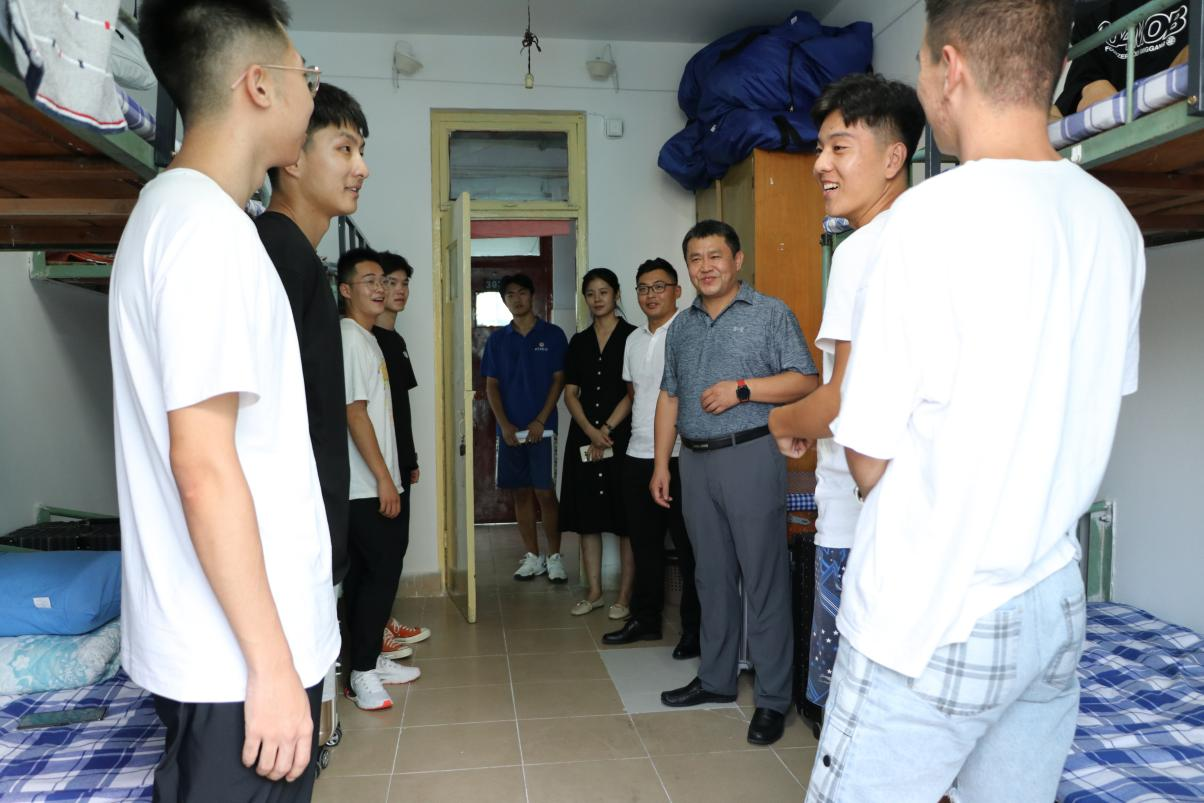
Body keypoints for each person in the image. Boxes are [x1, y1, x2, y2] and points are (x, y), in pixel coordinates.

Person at [804, 1, 1145, 801]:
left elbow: (866, 453)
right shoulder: (1113, 221)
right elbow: (1088, 403)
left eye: (923, 64)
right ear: (1054, 69)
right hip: (1052, 597)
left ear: (950, 68)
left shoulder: (927, 217)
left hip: (934, 606)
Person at [109, 0, 337, 799]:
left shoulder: (181, 216)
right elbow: (203, 466)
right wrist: (271, 664)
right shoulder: (206, 233)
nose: (311, 92)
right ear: (259, 85)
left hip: (227, 650)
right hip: (236, 662)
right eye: (305, 73)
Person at [767, 73, 925, 711]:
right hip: (917, 517)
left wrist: (782, 422)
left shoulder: (862, 251)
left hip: (862, 521)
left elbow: (844, 403)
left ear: (893, 157)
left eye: (839, 148)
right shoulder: (929, 233)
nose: (819, 165)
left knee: (851, 711)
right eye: (819, 148)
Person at [654, 220, 819, 747]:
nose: (705, 267)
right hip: (694, 461)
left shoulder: (770, 313)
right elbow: (669, 397)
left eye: (715, 256)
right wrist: (662, 464)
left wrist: (742, 389)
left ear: (737, 260)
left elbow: (806, 379)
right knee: (711, 577)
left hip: (750, 453)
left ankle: (772, 698)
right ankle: (716, 679)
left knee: (764, 579)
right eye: (695, 258)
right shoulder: (681, 327)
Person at [256, 82, 368, 594]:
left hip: (308, 537)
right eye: (344, 148)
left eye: (360, 151)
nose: (361, 168)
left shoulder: (300, 256)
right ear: (294, 158)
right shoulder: (277, 253)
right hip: (287, 545)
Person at [603, 258, 701, 658]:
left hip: (680, 457)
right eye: (643, 288)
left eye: (659, 286)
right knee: (644, 546)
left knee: (690, 548)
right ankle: (645, 619)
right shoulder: (633, 339)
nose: (650, 295)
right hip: (637, 454)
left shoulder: (691, 331)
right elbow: (634, 394)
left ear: (677, 291)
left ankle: (695, 630)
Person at [337, 248, 421, 711]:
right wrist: (385, 480)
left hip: (377, 481)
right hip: (365, 486)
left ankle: (367, 660)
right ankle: (362, 673)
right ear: (345, 290)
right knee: (377, 576)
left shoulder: (369, 339)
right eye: (367, 281)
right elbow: (354, 413)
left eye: (381, 281)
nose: (378, 288)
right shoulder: (350, 338)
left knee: (374, 577)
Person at [481, 274, 570, 583]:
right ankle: (533, 556)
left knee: (545, 492)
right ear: (505, 301)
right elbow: (491, 385)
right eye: (510, 295)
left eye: (522, 293)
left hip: (543, 429)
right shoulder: (497, 340)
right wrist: (504, 425)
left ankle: (555, 557)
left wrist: (540, 420)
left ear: (532, 295)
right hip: (509, 432)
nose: (516, 299)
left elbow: (559, 380)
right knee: (520, 493)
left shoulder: (553, 335)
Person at [560, 268, 637, 619]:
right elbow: (570, 393)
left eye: (604, 292)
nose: (597, 299)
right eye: (590, 293)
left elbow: (634, 393)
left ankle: (624, 596)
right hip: (585, 438)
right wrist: (591, 432)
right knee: (587, 516)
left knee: (625, 518)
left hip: (623, 436)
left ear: (616, 294)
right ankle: (594, 592)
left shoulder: (633, 338)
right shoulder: (578, 342)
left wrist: (605, 428)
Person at [373, 251, 432, 653]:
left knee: (395, 548)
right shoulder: (367, 340)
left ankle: (383, 621)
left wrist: (410, 459)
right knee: (380, 552)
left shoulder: (395, 340)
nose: (399, 291)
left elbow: (401, 408)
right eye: (390, 282)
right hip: (378, 467)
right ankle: (374, 632)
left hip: (398, 462)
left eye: (404, 283)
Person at [1053, 0, 1190, 117]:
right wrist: (1092, 89)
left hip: (1184, 117)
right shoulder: (1092, 10)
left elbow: (1192, 64)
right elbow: (1086, 87)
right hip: (1118, 129)